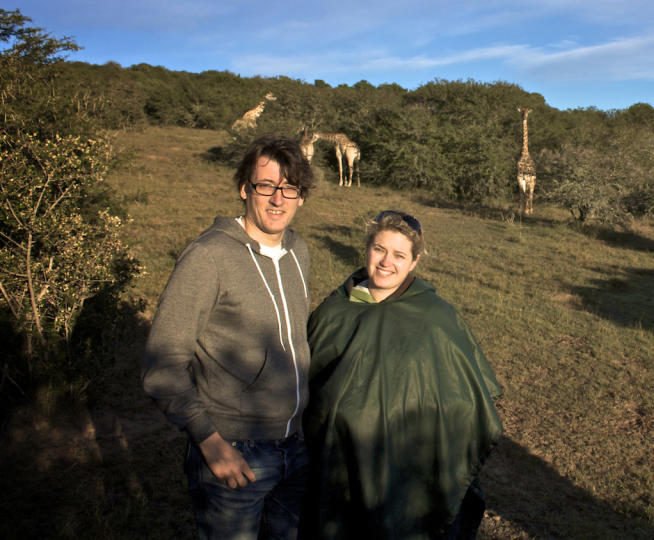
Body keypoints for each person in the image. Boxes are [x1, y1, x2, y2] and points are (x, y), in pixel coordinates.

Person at [142, 134, 315, 540]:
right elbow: (162, 363)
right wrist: (209, 441)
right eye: (266, 186)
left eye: (290, 188)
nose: (278, 199)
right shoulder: (209, 256)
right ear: (244, 189)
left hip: (294, 443)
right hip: (235, 448)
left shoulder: (298, 251)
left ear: (301, 197)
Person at [299, 211, 503, 539]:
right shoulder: (335, 310)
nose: (385, 262)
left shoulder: (436, 317)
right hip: (339, 463)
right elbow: (307, 383)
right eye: (379, 249)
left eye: (399, 255)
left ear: (414, 262)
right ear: (367, 249)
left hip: (409, 467)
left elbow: (465, 399)